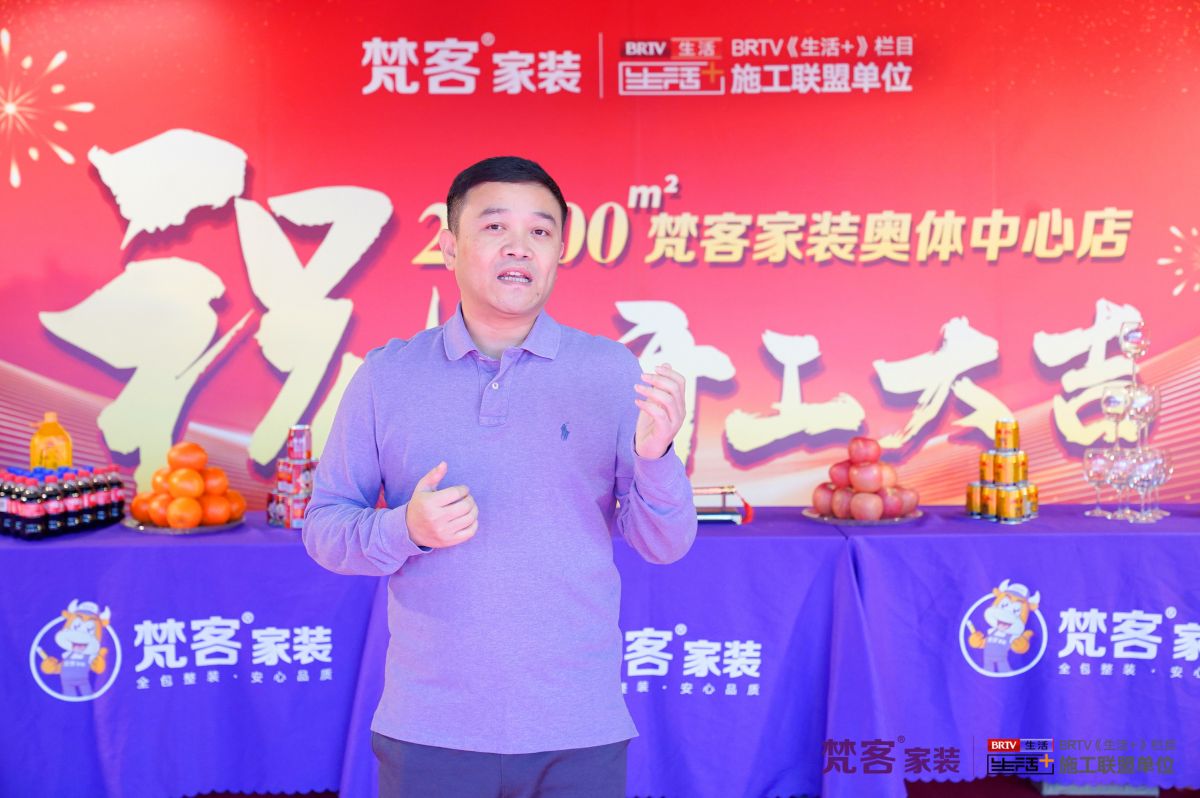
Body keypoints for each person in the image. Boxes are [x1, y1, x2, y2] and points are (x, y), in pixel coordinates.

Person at [303, 155, 697, 797]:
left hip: (577, 724)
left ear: (560, 251)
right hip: (431, 727)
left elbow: (666, 544)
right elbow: (325, 530)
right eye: (494, 227)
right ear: (448, 245)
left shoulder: (610, 372)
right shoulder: (386, 376)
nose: (519, 248)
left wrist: (655, 459)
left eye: (540, 231)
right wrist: (407, 528)